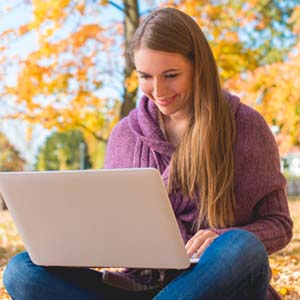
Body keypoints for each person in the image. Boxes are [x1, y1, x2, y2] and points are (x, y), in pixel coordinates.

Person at [3, 7, 293, 300]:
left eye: (171, 75)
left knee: (239, 247)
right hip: (137, 286)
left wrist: (220, 237)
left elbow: (279, 223)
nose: (158, 89)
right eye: (145, 76)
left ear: (198, 67)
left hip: (217, 283)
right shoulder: (124, 135)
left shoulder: (244, 125)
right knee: (21, 270)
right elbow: (112, 225)